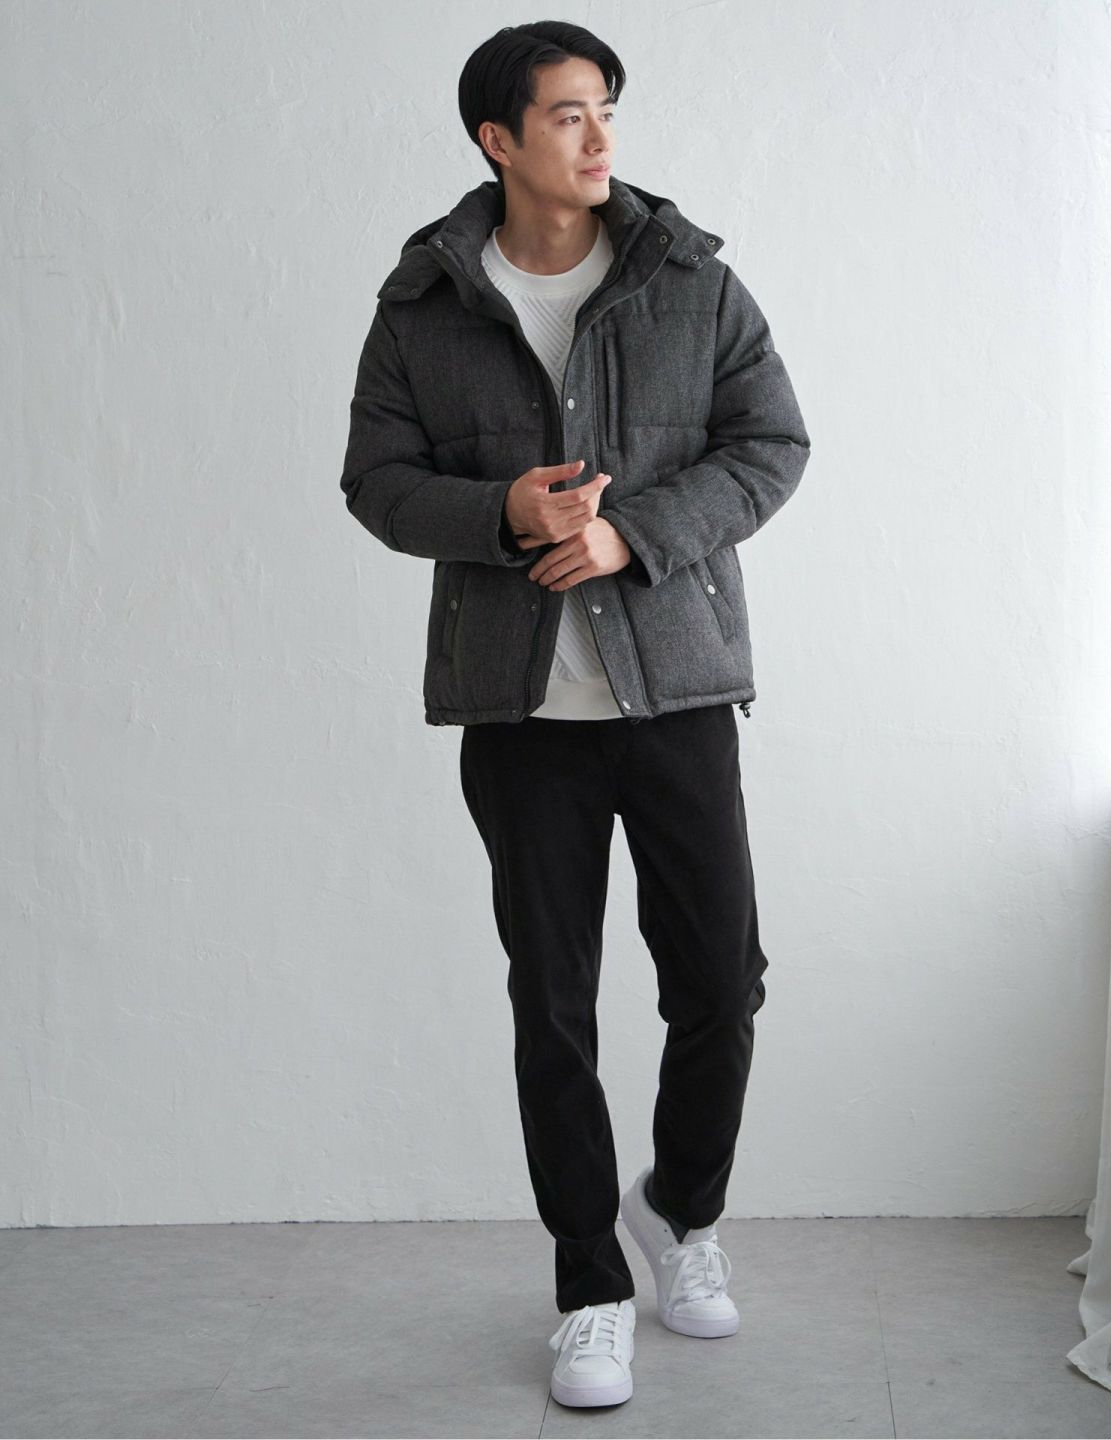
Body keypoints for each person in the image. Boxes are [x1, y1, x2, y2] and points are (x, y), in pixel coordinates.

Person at [339, 19, 811, 1410]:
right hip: (519, 713)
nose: (601, 136)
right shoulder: (425, 304)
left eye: (606, 108)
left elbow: (771, 444)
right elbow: (376, 481)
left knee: (720, 981)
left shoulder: (690, 281)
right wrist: (500, 512)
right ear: (498, 140)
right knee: (553, 1005)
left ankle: (681, 1208)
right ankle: (591, 1287)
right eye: (567, 115)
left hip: (677, 692)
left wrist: (629, 536)